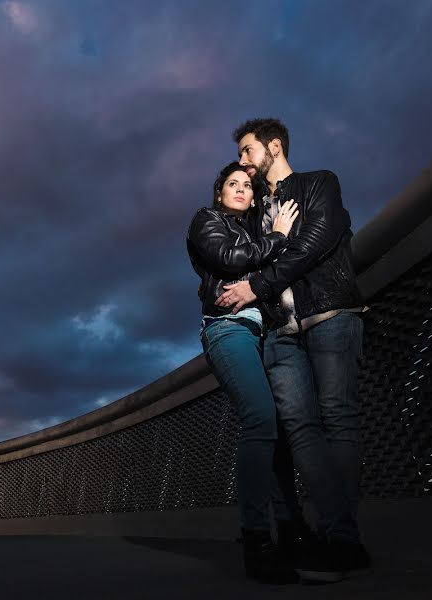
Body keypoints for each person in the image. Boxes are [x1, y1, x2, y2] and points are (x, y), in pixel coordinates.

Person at [218, 118, 370, 582]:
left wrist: (255, 285)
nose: (242, 161)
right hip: (281, 331)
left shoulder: (319, 184)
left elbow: (314, 244)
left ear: (274, 146)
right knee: (300, 429)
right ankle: (335, 537)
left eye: (247, 151)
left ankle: (343, 540)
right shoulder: (256, 209)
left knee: (337, 417)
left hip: (328, 314)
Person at [187, 161, 300, 584]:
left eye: (247, 186)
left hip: (264, 332)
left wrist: (272, 238)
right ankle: (257, 540)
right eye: (232, 184)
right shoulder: (207, 220)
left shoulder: (256, 233)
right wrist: (278, 237)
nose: (241, 189)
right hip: (227, 329)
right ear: (219, 194)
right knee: (259, 418)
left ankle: (290, 528)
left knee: (279, 430)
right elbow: (228, 258)